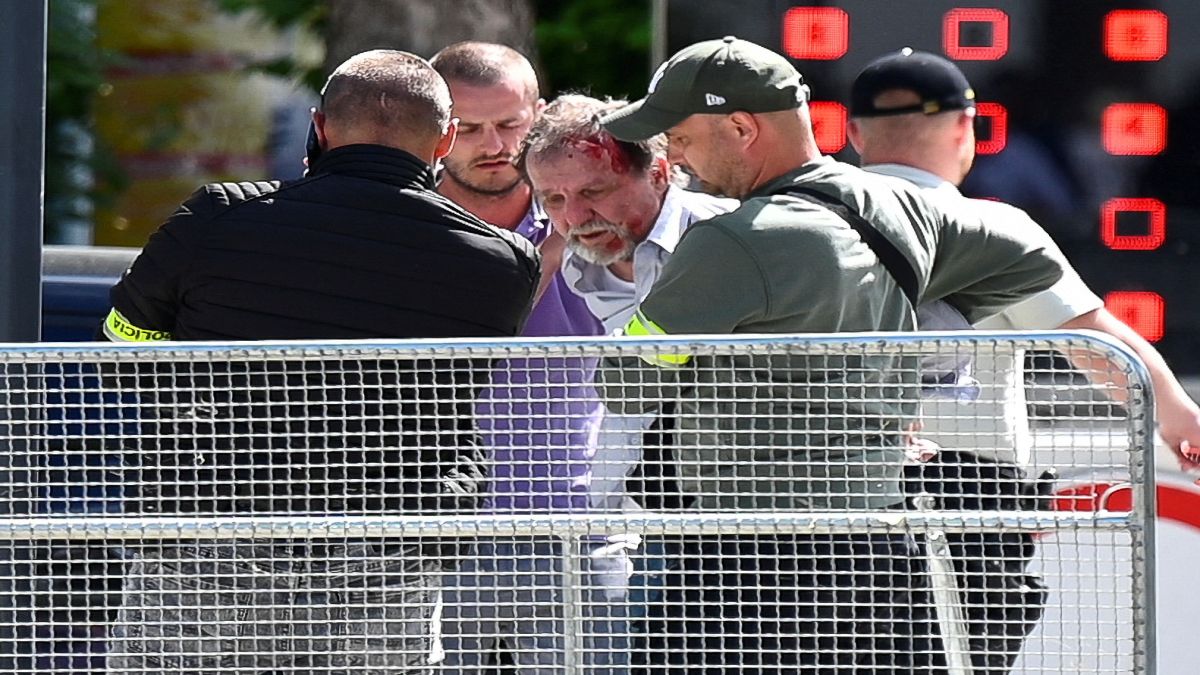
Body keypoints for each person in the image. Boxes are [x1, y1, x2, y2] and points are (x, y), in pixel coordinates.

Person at [597, 36, 1076, 674]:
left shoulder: (729, 242)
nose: (674, 158)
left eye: (679, 137)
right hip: (875, 549)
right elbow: (1033, 259)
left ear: (742, 127)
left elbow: (625, 384)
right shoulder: (898, 204)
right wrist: (916, 324)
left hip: (738, 566)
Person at [100, 49, 540, 674]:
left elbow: (121, 338)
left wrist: (181, 392)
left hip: (208, 529)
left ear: (321, 126)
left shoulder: (217, 218)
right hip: (387, 550)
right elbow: (454, 389)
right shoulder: (501, 263)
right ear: (445, 138)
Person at [846, 48, 1200, 672]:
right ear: (965, 127)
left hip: (820, 487)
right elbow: (1103, 350)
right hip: (968, 502)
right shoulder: (987, 228)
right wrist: (1180, 423)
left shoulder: (804, 225)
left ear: (851, 133)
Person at [429, 44, 633, 675]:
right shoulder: (409, 227)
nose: (494, 145)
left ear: (538, 117)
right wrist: (543, 258)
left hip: (578, 526)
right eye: (468, 129)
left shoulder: (595, 212)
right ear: (438, 131)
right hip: (439, 534)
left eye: (511, 124)